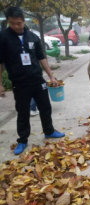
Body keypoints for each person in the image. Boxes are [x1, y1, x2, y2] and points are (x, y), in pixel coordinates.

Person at [0, 7, 65, 155]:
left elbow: (42, 58)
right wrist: (0, 84)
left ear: (23, 21)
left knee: (45, 107)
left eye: (19, 23)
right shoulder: (3, 37)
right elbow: (0, 62)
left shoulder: (33, 37)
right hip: (19, 82)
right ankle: (22, 140)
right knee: (23, 112)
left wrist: (51, 76)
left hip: (37, 79)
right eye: (12, 23)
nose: (16, 26)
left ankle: (49, 131)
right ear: (8, 22)